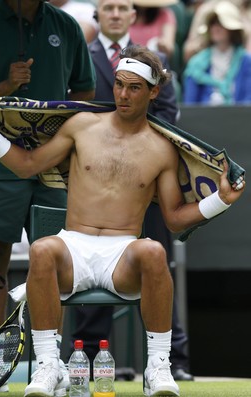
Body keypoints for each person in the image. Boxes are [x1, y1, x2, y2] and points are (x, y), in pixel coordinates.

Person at [0, 44, 244, 397]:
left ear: (153, 92)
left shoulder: (162, 149)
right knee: (41, 249)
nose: (122, 94)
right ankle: (49, 366)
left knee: (155, 252)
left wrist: (221, 200)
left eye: (133, 87)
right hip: (74, 245)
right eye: (118, 84)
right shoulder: (82, 126)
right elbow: (26, 164)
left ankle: (158, 369)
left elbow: (175, 220)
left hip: (122, 255)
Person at [0, 0, 95, 391]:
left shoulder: (65, 26)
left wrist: (61, 130)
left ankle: (51, 361)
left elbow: (84, 87)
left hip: (53, 162)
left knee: (55, 255)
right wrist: (5, 88)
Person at [71, 0, 193, 381]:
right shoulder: (82, 56)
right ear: (98, 15)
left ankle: (173, 362)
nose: (115, 13)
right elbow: (75, 110)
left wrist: (138, 156)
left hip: (149, 186)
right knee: (90, 267)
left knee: (161, 269)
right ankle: (89, 360)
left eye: (123, 7)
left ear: (132, 15)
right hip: (98, 185)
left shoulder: (155, 60)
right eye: (108, 7)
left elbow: (169, 116)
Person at [183, 1, 251, 105]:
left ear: (232, 30)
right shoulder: (196, 63)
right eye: (212, 23)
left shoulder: (245, 61)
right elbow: (190, 105)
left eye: (221, 23)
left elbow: (248, 100)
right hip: (204, 119)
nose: (216, 28)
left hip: (239, 118)